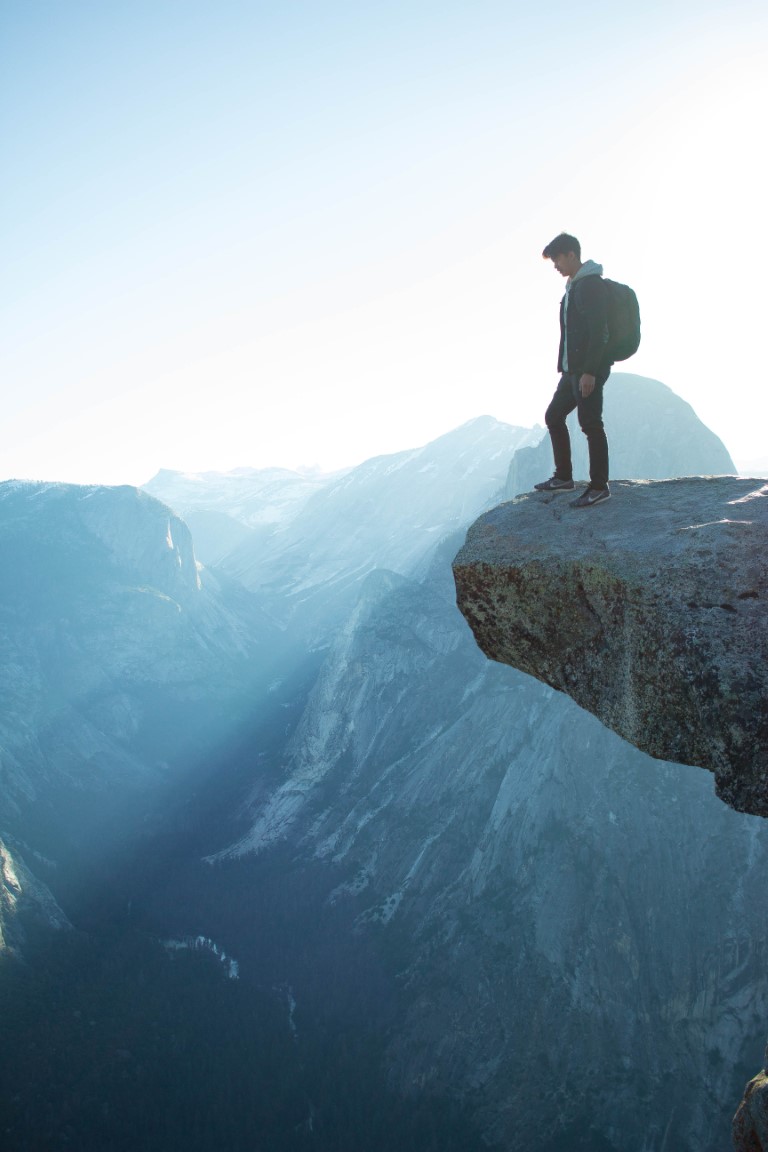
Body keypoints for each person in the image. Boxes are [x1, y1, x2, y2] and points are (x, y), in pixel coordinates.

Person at [535, 232, 612, 507]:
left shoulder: (590, 285)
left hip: (587, 370)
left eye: (556, 258)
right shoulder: (573, 287)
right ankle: (564, 477)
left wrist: (590, 371)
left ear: (571, 254)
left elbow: (599, 332)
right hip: (572, 371)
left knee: (590, 424)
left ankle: (599, 487)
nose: (555, 265)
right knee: (554, 416)